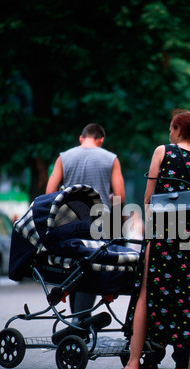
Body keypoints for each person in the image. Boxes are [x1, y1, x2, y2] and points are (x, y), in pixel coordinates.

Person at [116, 111, 190, 369]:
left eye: (171, 129)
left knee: (146, 294)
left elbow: (148, 197)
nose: (169, 134)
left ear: (177, 130)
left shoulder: (163, 151)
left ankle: (133, 363)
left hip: (161, 231)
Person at [46, 123, 125, 318]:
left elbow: (49, 192)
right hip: (99, 222)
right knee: (90, 267)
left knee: (74, 267)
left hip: (69, 224)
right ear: (101, 140)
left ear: (81, 138)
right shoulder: (111, 158)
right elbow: (120, 197)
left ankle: (78, 320)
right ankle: (82, 320)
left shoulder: (64, 157)